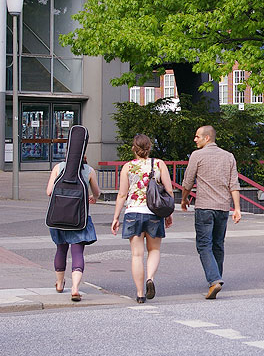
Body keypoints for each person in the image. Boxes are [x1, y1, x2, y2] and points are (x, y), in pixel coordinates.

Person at [180, 125, 242, 300]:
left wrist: (184, 199)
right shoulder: (228, 156)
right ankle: (216, 278)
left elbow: (188, 181)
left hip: (205, 207)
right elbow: (234, 184)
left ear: (207, 138)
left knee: (203, 245)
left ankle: (214, 280)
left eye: (197, 136)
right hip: (223, 207)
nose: (195, 139)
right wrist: (236, 208)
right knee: (218, 244)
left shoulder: (197, 156)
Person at [111, 134, 174, 303]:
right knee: (154, 250)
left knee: (136, 255)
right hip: (154, 213)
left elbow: (122, 194)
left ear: (134, 148)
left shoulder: (128, 167)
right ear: (149, 147)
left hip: (133, 212)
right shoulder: (159, 164)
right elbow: (168, 190)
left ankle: (140, 294)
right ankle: (150, 278)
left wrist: (116, 217)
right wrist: (169, 213)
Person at [46, 156, 100, 302]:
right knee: (77, 252)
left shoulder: (58, 168)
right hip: (79, 218)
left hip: (59, 217)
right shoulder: (89, 170)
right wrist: (93, 197)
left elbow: (49, 191)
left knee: (61, 249)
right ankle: (75, 288)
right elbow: (97, 192)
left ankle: (59, 283)